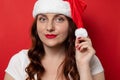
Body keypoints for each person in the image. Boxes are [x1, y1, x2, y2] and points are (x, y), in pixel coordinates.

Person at [4, 0, 105, 80]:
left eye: (59, 19)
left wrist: (83, 67)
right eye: (43, 19)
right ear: (36, 25)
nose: (49, 27)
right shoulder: (19, 61)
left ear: (71, 25)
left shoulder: (90, 61)